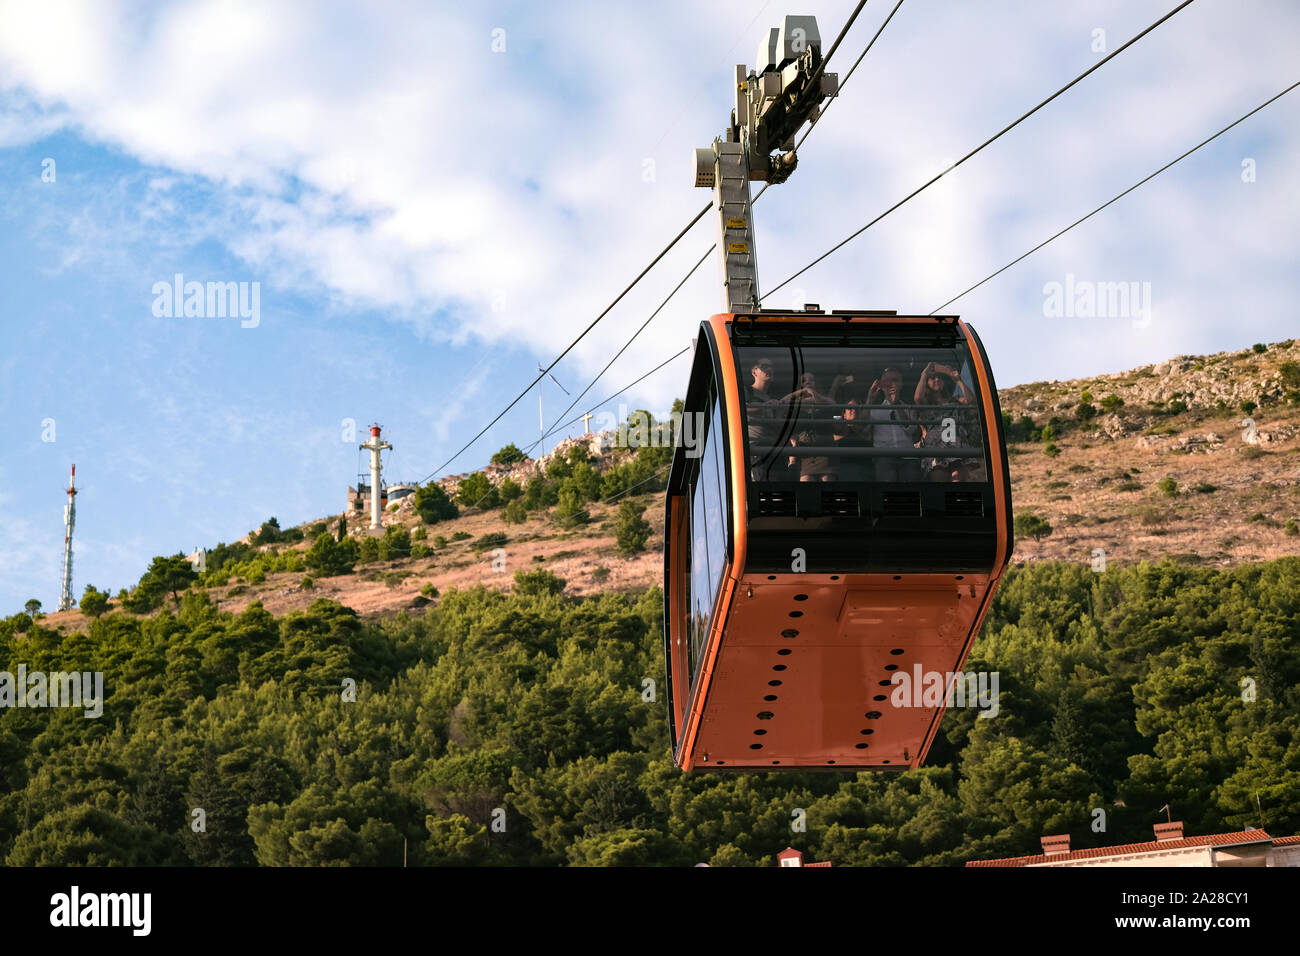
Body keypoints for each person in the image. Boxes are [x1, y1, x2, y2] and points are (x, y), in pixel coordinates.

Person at [915, 361, 982, 481]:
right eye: (932, 378)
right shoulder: (927, 405)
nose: (937, 379)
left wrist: (958, 380)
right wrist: (924, 374)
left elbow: (970, 401)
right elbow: (918, 398)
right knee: (940, 483)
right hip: (936, 450)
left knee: (958, 481)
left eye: (940, 377)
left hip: (957, 448)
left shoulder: (955, 400)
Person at [867, 367, 922, 481]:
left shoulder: (908, 408)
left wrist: (896, 404)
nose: (891, 384)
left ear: (901, 384)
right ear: (881, 386)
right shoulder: (873, 409)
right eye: (887, 381)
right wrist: (870, 399)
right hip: (884, 457)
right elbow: (861, 427)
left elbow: (912, 430)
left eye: (895, 380)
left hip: (908, 456)